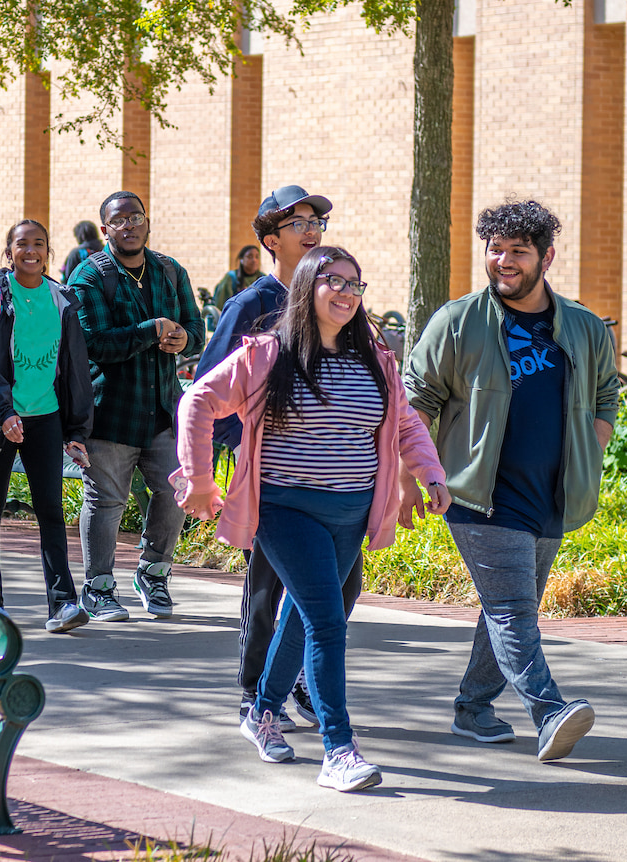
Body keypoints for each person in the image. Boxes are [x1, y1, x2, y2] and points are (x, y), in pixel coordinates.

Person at [176, 246, 449, 792]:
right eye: (335, 282)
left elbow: (405, 425)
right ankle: (338, 750)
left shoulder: (375, 356)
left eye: (356, 284)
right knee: (328, 622)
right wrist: (200, 479)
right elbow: (197, 403)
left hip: (352, 511)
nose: (347, 293)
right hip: (285, 508)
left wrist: (430, 473)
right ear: (308, 287)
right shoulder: (267, 355)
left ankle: (262, 711)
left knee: (306, 619)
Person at [403, 199, 620, 762]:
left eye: (517, 251)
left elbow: (604, 395)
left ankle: (473, 708)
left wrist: (589, 453)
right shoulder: (458, 321)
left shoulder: (584, 326)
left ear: (546, 257)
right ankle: (549, 712)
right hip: (480, 494)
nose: (503, 260)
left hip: (553, 496)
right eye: (495, 249)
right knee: (512, 610)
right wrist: (415, 474)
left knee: (504, 606)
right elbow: (415, 399)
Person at [195, 185, 357, 729]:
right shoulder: (253, 304)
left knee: (337, 586)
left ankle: (299, 685)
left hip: (334, 485)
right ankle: (255, 690)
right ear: (271, 240)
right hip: (272, 481)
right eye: (299, 224)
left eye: (317, 222)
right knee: (268, 585)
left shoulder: (335, 297)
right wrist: (222, 461)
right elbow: (209, 389)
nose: (313, 231)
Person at [68, 191, 204, 621]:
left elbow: (197, 328)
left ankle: (153, 572)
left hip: (163, 410)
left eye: (135, 218)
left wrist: (186, 339)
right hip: (111, 412)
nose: (128, 226)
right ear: (105, 228)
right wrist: (149, 331)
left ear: (147, 222)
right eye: (118, 220)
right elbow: (92, 344)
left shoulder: (169, 270)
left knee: (176, 490)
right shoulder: (89, 277)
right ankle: (98, 586)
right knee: (107, 500)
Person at [0, 219, 94, 633]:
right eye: (22, 244)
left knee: (50, 511)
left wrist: (76, 431)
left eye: (39, 244)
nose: (31, 251)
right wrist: (4, 412)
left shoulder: (63, 300)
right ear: (9, 252)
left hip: (46, 419)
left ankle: (63, 604)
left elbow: (75, 368)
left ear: (48, 251)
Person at [211, 245, 265, 310]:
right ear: (241, 260)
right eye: (250, 257)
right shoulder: (231, 278)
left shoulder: (263, 279)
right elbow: (221, 305)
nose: (254, 260)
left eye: (257, 257)